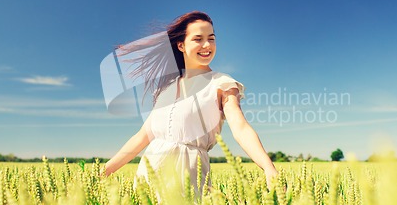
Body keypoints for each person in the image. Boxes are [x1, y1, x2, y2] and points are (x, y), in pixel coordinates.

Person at [104, 11, 278, 193]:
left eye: (211, 38)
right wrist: (104, 171)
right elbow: (142, 137)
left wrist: (268, 166)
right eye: (198, 39)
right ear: (181, 45)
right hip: (148, 178)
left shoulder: (222, 84)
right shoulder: (165, 89)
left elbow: (240, 128)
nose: (207, 45)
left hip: (189, 177)